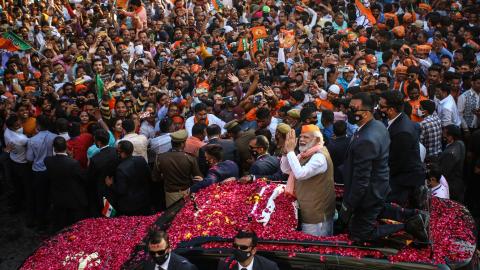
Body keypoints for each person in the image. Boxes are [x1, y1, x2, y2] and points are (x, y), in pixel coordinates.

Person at [337, 92, 428, 243]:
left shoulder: (367, 139)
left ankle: (408, 226)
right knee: (379, 209)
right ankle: (414, 215)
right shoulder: (378, 126)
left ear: (365, 113)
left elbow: (362, 179)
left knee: (360, 234)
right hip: (379, 187)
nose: (349, 112)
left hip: (369, 193)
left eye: (353, 109)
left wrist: (349, 204)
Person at [281, 125, 336, 236]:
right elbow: (286, 169)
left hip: (317, 215)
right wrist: (286, 153)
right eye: (300, 137)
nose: (301, 140)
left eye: (306, 137)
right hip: (306, 209)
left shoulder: (319, 157)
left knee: (314, 246)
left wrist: (291, 152)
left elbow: (300, 174)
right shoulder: (305, 154)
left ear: (317, 140)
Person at [379, 91, 425, 207]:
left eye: (382, 107)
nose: (379, 109)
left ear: (391, 110)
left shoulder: (402, 131)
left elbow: (397, 162)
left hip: (403, 181)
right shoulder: (399, 120)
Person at [44, 137, 87, 231]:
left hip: (57, 195)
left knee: (59, 221)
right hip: (72, 196)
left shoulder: (47, 161)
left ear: (54, 148)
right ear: (66, 147)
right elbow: (82, 176)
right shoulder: (73, 163)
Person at [153, 129, 203, 207]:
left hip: (170, 194)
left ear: (172, 143)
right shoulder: (190, 158)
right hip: (187, 193)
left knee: (173, 217)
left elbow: (155, 178)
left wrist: (165, 175)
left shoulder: (160, 158)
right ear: (183, 144)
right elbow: (198, 178)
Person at [26, 115, 57, 230]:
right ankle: (51, 219)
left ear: (38, 125)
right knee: (51, 196)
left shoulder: (32, 140)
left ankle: (41, 222)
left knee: (40, 198)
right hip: (51, 170)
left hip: (38, 172)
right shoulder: (55, 137)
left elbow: (29, 159)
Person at [105, 140, 151, 216]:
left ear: (120, 152)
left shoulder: (121, 169)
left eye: (118, 150)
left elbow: (121, 190)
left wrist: (110, 185)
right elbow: (148, 175)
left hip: (130, 205)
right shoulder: (141, 159)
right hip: (144, 200)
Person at [4, 115, 31, 217]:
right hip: (22, 164)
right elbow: (30, 143)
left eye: (19, 123)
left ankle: (17, 204)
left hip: (13, 160)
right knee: (26, 187)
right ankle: (25, 208)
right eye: (17, 125)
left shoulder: (7, 131)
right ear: (11, 127)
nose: (20, 126)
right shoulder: (21, 139)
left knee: (17, 185)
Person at [88, 129, 120, 216]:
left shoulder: (95, 159)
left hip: (103, 192)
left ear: (98, 142)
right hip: (117, 187)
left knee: (109, 216)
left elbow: (90, 177)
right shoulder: (116, 152)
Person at [438, 125, 466, 203]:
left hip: (451, 186)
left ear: (450, 137)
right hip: (458, 182)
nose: (443, 136)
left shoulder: (449, 153)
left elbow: (443, 172)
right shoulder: (460, 143)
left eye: (444, 134)